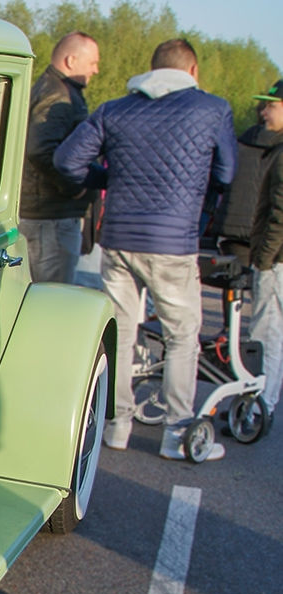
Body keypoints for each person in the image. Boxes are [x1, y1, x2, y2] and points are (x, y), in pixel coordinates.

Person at [54, 38, 237, 460]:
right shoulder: (212, 108)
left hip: (118, 239)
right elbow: (226, 173)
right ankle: (176, 433)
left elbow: (67, 161)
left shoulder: (115, 109)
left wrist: (110, 180)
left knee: (122, 331)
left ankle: (116, 426)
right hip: (173, 244)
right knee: (181, 336)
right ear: (192, 71)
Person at [20, 32, 102, 283]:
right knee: (52, 297)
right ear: (70, 61)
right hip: (50, 218)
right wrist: (73, 187)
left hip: (44, 213)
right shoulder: (58, 94)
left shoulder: (50, 88)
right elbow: (40, 148)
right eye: (92, 63)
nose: (96, 70)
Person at [248, 80, 283, 415]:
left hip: (276, 262)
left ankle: (260, 405)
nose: (263, 111)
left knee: (267, 332)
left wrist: (263, 260)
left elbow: (279, 212)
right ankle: (265, 401)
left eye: (271, 104)